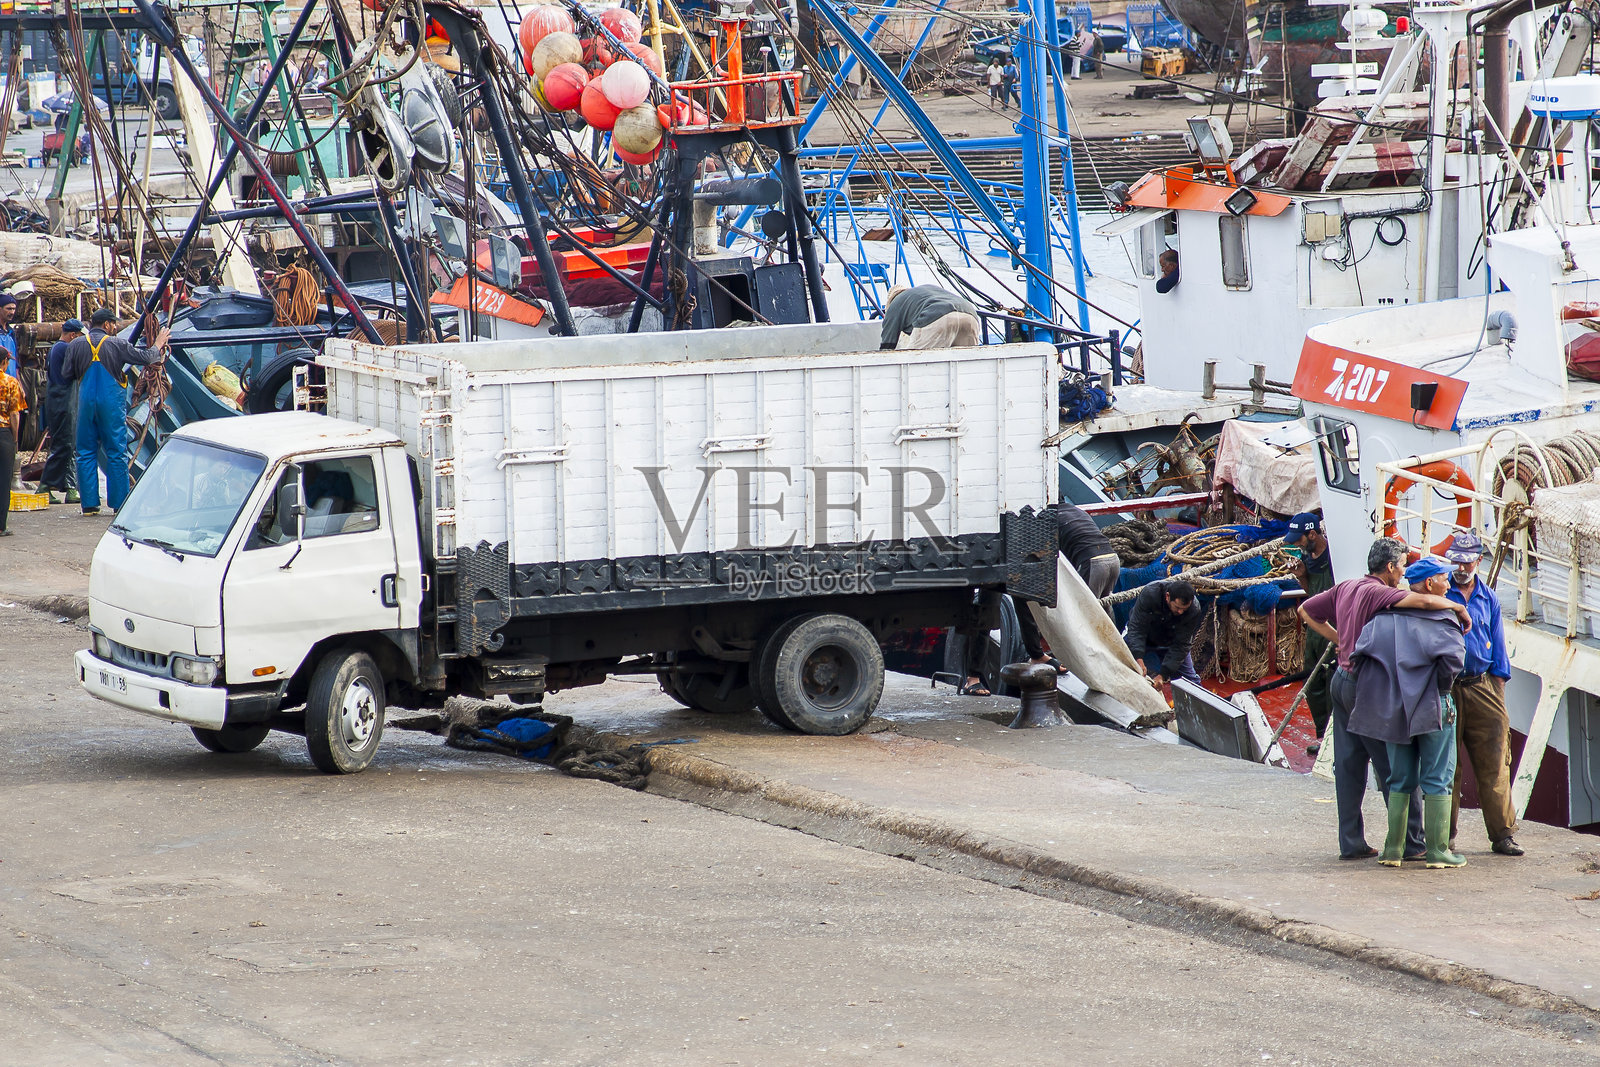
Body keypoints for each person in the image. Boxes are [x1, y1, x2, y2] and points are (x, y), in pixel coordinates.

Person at [1299, 537, 1470, 860]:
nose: (1403, 573)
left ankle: (1351, 843)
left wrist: (1339, 639)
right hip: (1366, 684)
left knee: (1348, 766)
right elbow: (1422, 602)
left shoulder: (1347, 586)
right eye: (1402, 566)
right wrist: (1457, 606)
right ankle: (1412, 843)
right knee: (1393, 764)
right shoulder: (1380, 592)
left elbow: (1306, 610)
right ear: (1390, 567)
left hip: (1341, 679)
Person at [1349, 556, 1467, 869]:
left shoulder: (1381, 619)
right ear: (1430, 584)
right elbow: (1454, 662)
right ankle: (1438, 852)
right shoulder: (1444, 619)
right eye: (1444, 577)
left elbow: (1359, 656)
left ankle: (1392, 851)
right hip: (1433, 706)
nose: (1449, 583)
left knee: (1399, 778)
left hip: (1394, 708)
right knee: (1437, 779)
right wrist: (1436, 688)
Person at [1444, 531, 1524, 857]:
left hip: (1482, 684)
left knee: (1495, 763)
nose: (1461, 566)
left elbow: (1500, 651)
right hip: (1446, 687)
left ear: (1478, 560)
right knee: (1446, 767)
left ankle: (1503, 834)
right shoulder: (1438, 590)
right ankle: (1443, 838)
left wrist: (1499, 695)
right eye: (1456, 559)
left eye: (1467, 560)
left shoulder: (1488, 597)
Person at [60, 308, 167, 516]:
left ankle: (89, 505)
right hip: (110, 403)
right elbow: (146, 357)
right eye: (114, 324)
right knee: (116, 452)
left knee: (85, 452)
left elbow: (66, 375)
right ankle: (119, 503)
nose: (116, 327)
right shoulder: (117, 344)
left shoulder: (75, 345)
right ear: (107, 325)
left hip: (86, 402)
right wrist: (158, 343)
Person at [1014, 501, 1123, 668]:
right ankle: (1116, 653)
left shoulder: (1047, 518)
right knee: (1103, 607)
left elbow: (1044, 557)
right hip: (1113, 560)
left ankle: (1085, 663)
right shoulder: (1076, 510)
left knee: (1080, 616)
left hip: (1092, 563)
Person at [1285, 511, 1335, 752]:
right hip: (1314, 629)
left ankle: (1334, 740)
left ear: (1312, 534)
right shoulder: (1309, 558)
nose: (1297, 545)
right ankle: (1322, 735)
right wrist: (1302, 576)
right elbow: (1311, 594)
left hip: (1333, 627)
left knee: (1332, 685)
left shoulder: (1335, 556)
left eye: (1299, 539)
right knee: (1312, 681)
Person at [1123, 579, 1202, 686]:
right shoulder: (1150, 594)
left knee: (1191, 683)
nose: (1180, 612)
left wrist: (1163, 675)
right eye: (1177, 607)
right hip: (1145, 635)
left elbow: (1181, 645)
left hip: (1171, 640)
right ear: (1167, 596)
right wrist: (1138, 658)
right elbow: (1137, 628)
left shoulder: (1194, 609)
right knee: (1120, 665)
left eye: (1184, 609)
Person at [39, 319, 81, 505]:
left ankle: (70, 487)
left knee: (68, 444)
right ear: (73, 335)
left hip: (60, 399)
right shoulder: (65, 349)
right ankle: (45, 486)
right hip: (63, 401)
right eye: (80, 337)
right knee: (64, 445)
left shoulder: (56, 348)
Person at [879, 285, 980, 350]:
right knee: (967, 366)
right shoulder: (922, 292)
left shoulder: (895, 305)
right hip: (970, 315)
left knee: (914, 367)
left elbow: (887, 344)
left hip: (936, 316)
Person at [0, 357, 24, 535]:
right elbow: (15, 414)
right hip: (3, 433)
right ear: (3, 363)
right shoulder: (10, 382)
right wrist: (14, 439)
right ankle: (1, 525)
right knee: (3, 480)